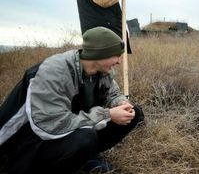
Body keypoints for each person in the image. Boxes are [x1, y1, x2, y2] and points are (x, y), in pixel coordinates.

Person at [0, 27, 144, 174]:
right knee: (85, 138)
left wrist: (120, 103)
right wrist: (107, 114)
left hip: (66, 127)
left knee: (135, 113)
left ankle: (85, 157)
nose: (119, 61)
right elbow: (51, 125)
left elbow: (113, 93)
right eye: (116, 55)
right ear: (100, 54)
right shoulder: (53, 73)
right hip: (28, 141)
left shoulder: (101, 71)